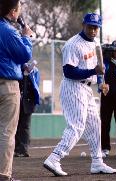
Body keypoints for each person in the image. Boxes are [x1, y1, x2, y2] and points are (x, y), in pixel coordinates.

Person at [43, 13, 116, 176]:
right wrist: (93, 71)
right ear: (83, 25)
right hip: (73, 87)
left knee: (95, 123)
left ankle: (97, 162)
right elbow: (69, 71)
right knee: (77, 125)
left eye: (95, 27)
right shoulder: (73, 44)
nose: (93, 30)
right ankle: (54, 158)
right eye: (90, 26)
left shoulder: (96, 42)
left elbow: (98, 67)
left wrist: (101, 83)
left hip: (87, 88)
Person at [0, 0, 33, 180]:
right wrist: (26, 37)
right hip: (7, 85)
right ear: (13, 12)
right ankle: (4, 174)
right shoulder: (10, 31)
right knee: (6, 131)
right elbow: (24, 55)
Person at [14, 61, 40, 157]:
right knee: (15, 126)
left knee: (25, 126)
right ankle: (16, 148)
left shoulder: (34, 72)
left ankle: (23, 149)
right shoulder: (16, 69)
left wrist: (28, 74)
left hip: (27, 103)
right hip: (16, 101)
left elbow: (35, 86)